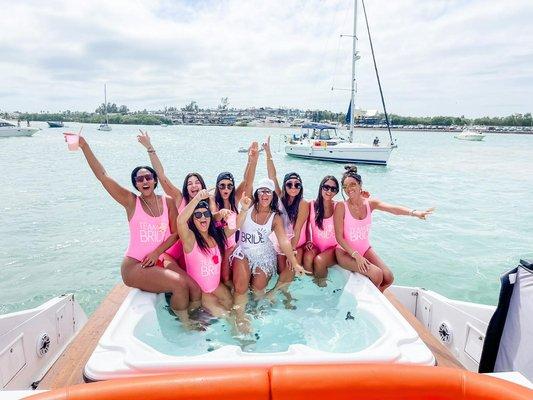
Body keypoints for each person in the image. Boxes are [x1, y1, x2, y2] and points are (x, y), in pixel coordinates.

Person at [74, 136, 201, 325]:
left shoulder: (167, 202)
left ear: (155, 181)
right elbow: (103, 176)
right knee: (179, 285)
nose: (144, 181)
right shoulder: (131, 201)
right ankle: (184, 325)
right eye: (139, 179)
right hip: (135, 266)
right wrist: (85, 146)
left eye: (148, 177)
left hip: (158, 259)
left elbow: (175, 234)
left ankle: (194, 316)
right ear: (135, 184)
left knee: (195, 289)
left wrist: (157, 252)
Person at [334, 165, 434, 292]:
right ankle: (368, 303)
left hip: (365, 249)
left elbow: (393, 209)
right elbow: (339, 237)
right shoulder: (341, 207)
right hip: (345, 252)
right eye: (345, 187)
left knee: (388, 277)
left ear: (360, 185)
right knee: (376, 274)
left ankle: (375, 299)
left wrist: (415, 212)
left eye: (352, 184)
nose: (349, 189)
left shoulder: (370, 203)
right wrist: (356, 256)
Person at [231, 178, 309, 332]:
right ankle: (239, 319)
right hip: (243, 251)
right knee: (240, 287)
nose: (265, 194)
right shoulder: (248, 206)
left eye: (268, 191)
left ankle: (257, 310)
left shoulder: (275, 217)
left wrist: (294, 263)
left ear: (273, 195)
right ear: (257, 193)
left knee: (258, 287)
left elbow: (283, 241)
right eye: (262, 191)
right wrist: (253, 159)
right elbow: (248, 179)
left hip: (264, 254)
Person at [137, 131, 207, 267]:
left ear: (202, 185)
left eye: (197, 182)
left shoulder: (208, 204)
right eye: (189, 183)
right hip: (172, 253)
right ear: (186, 188)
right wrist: (150, 148)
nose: (193, 185)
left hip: (195, 255)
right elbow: (161, 176)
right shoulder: (179, 198)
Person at [178, 189, 251, 317]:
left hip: (217, 287)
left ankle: (244, 328)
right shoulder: (190, 239)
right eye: (198, 215)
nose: (202, 217)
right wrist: (197, 199)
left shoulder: (216, 237)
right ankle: (240, 335)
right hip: (201, 292)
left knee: (235, 307)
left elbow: (236, 226)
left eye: (205, 214)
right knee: (226, 316)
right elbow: (180, 221)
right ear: (193, 219)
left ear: (210, 217)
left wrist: (244, 209)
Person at [210, 143, 259, 288]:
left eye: (229, 185)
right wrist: (220, 214)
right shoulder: (213, 200)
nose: (226, 188)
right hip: (221, 246)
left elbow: (247, 181)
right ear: (218, 186)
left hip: (235, 245)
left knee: (240, 278)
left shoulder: (235, 199)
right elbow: (213, 216)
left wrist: (252, 160)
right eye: (222, 185)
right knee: (225, 279)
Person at [263, 136, 309, 280]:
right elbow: (272, 175)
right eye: (290, 184)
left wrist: (292, 252)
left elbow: (297, 229)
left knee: (286, 270)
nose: (293, 187)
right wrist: (268, 152)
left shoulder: (303, 204)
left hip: (293, 243)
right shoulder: (279, 197)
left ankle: (288, 299)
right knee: (276, 271)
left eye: (297, 184)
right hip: (278, 240)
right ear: (284, 186)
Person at [303, 175, 340, 286]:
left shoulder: (338, 206)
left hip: (333, 248)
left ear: (336, 192)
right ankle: (311, 284)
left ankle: (322, 287)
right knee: (308, 257)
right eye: (326, 187)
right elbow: (306, 225)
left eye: (333, 189)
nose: (329, 191)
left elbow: (355, 209)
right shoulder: (311, 205)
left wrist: (363, 198)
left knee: (319, 261)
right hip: (316, 246)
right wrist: (308, 240)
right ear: (321, 188)